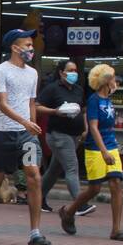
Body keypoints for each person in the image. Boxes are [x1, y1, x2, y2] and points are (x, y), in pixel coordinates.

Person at [0, 29, 50, 245]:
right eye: (27, 45)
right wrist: (24, 121)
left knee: (34, 176)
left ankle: (35, 232)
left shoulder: (32, 73)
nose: (31, 49)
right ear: (14, 47)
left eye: (32, 45)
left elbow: (31, 102)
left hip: (26, 136)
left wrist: (31, 125)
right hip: (3, 133)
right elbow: (2, 104)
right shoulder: (1, 71)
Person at [59, 64, 123, 242]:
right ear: (106, 81)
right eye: (113, 78)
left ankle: (116, 229)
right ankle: (69, 211)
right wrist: (103, 151)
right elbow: (93, 127)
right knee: (95, 189)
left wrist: (110, 149)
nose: (116, 82)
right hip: (95, 148)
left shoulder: (108, 99)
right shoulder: (94, 100)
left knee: (116, 183)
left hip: (111, 144)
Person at [38, 60, 95, 218]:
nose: (73, 73)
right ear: (61, 72)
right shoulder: (52, 89)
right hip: (58, 134)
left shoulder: (78, 90)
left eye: (75, 70)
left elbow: (83, 110)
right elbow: (37, 107)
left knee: (54, 169)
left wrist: (85, 128)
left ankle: (37, 197)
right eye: (70, 70)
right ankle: (79, 204)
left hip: (75, 135)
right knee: (72, 167)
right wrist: (55, 111)